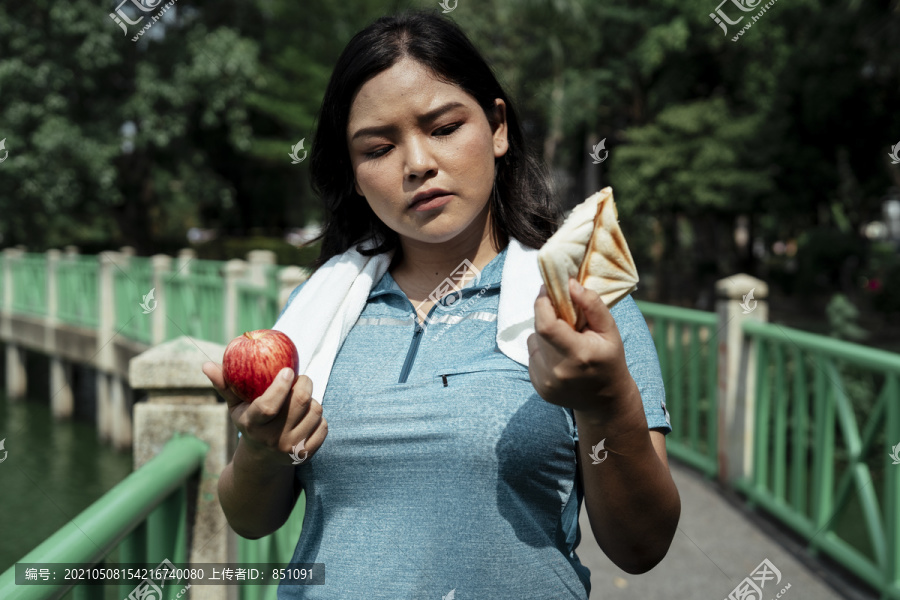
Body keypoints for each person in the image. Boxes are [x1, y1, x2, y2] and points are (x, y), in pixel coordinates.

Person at [202, 8, 680, 599]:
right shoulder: (318, 311)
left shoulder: (578, 306)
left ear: (497, 127)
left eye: (445, 127)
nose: (418, 163)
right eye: (378, 147)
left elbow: (642, 546)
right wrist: (263, 450)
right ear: (353, 173)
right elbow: (250, 520)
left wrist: (607, 401)